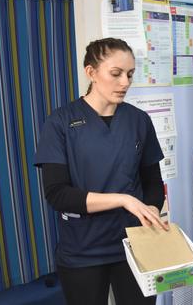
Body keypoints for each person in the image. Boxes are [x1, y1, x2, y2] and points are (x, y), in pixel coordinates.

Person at [34, 37, 169, 305]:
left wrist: (152, 208)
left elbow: (153, 182)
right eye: (116, 74)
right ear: (91, 72)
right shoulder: (60, 122)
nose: (125, 83)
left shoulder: (138, 120)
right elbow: (58, 194)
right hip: (83, 251)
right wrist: (123, 199)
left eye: (130, 74)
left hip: (135, 245)